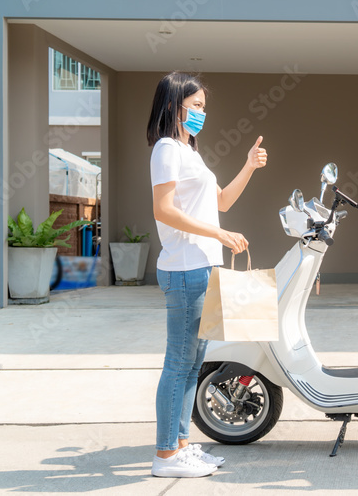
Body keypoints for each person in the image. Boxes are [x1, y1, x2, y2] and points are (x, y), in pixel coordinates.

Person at [146, 72, 267, 478]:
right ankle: (165, 456)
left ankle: (180, 446)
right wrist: (217, 233)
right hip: (185, 268)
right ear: (172, 107)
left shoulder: (189, 152)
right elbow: (163, 209)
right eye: (195, 106)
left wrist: (249, 166)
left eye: (202, 106)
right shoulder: (166, 148)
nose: (202, 113)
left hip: (202, 267)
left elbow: (222, 202)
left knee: (192, 364)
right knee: (179, 362)